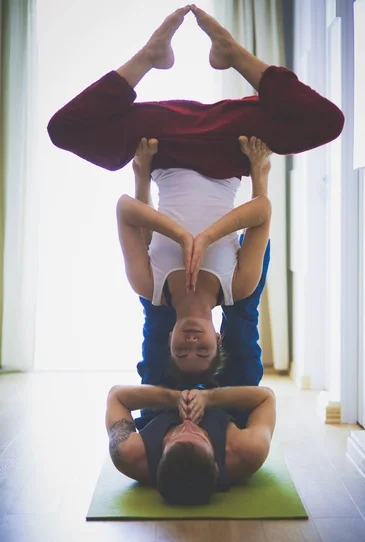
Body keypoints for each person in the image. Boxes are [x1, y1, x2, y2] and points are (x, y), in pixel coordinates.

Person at [47, 5, 345, 177]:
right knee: (328, 122)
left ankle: (150, 55)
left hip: (158, 144)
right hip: (237, 144)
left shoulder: (153, 282)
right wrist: (258, 171)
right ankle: (232, 52)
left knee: (63, 130)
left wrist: (141, 171)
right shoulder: (234, 284)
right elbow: (259, 216)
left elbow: (137, 219)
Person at [117, 134, 271, 382]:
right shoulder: (239, 286)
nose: (191, 342)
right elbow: (262, 208)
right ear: (218, 339)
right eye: (202, 351)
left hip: (167, 157)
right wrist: (207, 237)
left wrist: (142, 170)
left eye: (181, 350)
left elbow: (125, 208)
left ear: (169, 340)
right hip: (225, 159)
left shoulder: (147, 285)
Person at [106, 382, 276, 505]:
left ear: (158, 461)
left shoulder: (129, 452)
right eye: (201, 435)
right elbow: (266, 397)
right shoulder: (248, 450)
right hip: (224, 388)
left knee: (167, 338)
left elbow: (116, 395)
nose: (187, 425)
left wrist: (173, 397)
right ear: (216, 466)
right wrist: (209, 397)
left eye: (174, 436)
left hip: (162, 394)